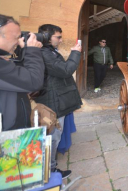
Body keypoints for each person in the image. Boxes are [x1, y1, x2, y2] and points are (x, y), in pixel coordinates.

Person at [35, 24, 82, 179]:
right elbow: (65, 70)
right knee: (53, 134)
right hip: (53, 100)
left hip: (56, 98)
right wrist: (75, 53)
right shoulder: (45, 53)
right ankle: (49, 171)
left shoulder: (49, 51)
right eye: (58, 37)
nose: (61, 40)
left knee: (54, 133)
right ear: (47, 37)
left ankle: (49, 167)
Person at [0, 14, 44, 131]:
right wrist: (32, 51)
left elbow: (18, 78)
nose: (19, 41)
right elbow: (34, 81)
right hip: (7, 134)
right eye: (16, 37)